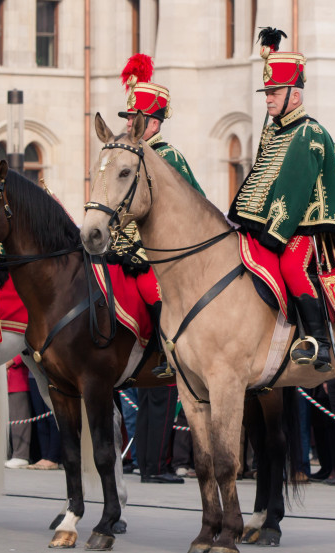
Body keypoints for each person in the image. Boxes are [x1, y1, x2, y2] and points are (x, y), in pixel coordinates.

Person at [228, 27, 335, 373]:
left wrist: (274, 234)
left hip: (303, 228)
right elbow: (263, 163)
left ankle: (319, 342)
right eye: (267, 93)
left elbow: (295, 189)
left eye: (275, 92)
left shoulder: (307, 132)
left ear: (296, 95)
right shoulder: (280, 130)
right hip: (277, 224)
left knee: (292, 266)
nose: (268, 98)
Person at [109, 53, 203, 379]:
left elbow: (194, 205)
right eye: (127, 118)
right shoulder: (132, 155)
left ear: (153, 123)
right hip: (128, 248)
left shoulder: (168, 157)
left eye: (134, 118)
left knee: (152, 288)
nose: (127, 124)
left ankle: (166, 350)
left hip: (161, 254)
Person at [5, 355, 32, 469]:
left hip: (17, 378)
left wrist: (9, 362)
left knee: (19, 420)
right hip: (4, 380)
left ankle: (21, 454)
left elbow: (23, 351)